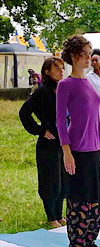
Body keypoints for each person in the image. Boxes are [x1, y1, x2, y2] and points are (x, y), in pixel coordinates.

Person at [56, 35, 100, 247]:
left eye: (90, 53)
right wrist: (66, 151)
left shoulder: (88, 81)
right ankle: (76, 243)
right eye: (85, 54)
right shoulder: (65, 85)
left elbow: (94, 115)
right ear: (74, 56)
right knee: (79, 198)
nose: (89, 58)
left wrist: (99, 143)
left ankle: (90, 240)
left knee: (96, 196)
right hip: (76, 149)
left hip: (92, 148)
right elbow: (60, 120)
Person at [19, 57, 67, 228]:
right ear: (47, 71)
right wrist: (40, 130)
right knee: (50, 180)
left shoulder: (62, 88)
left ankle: (60, 214)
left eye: (62, 68)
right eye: (57, 69)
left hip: (64, 142)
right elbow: (24, 112)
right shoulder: (42, 92)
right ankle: (51, 216)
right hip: (49, 143)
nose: (61, 71)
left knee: (63, 179)